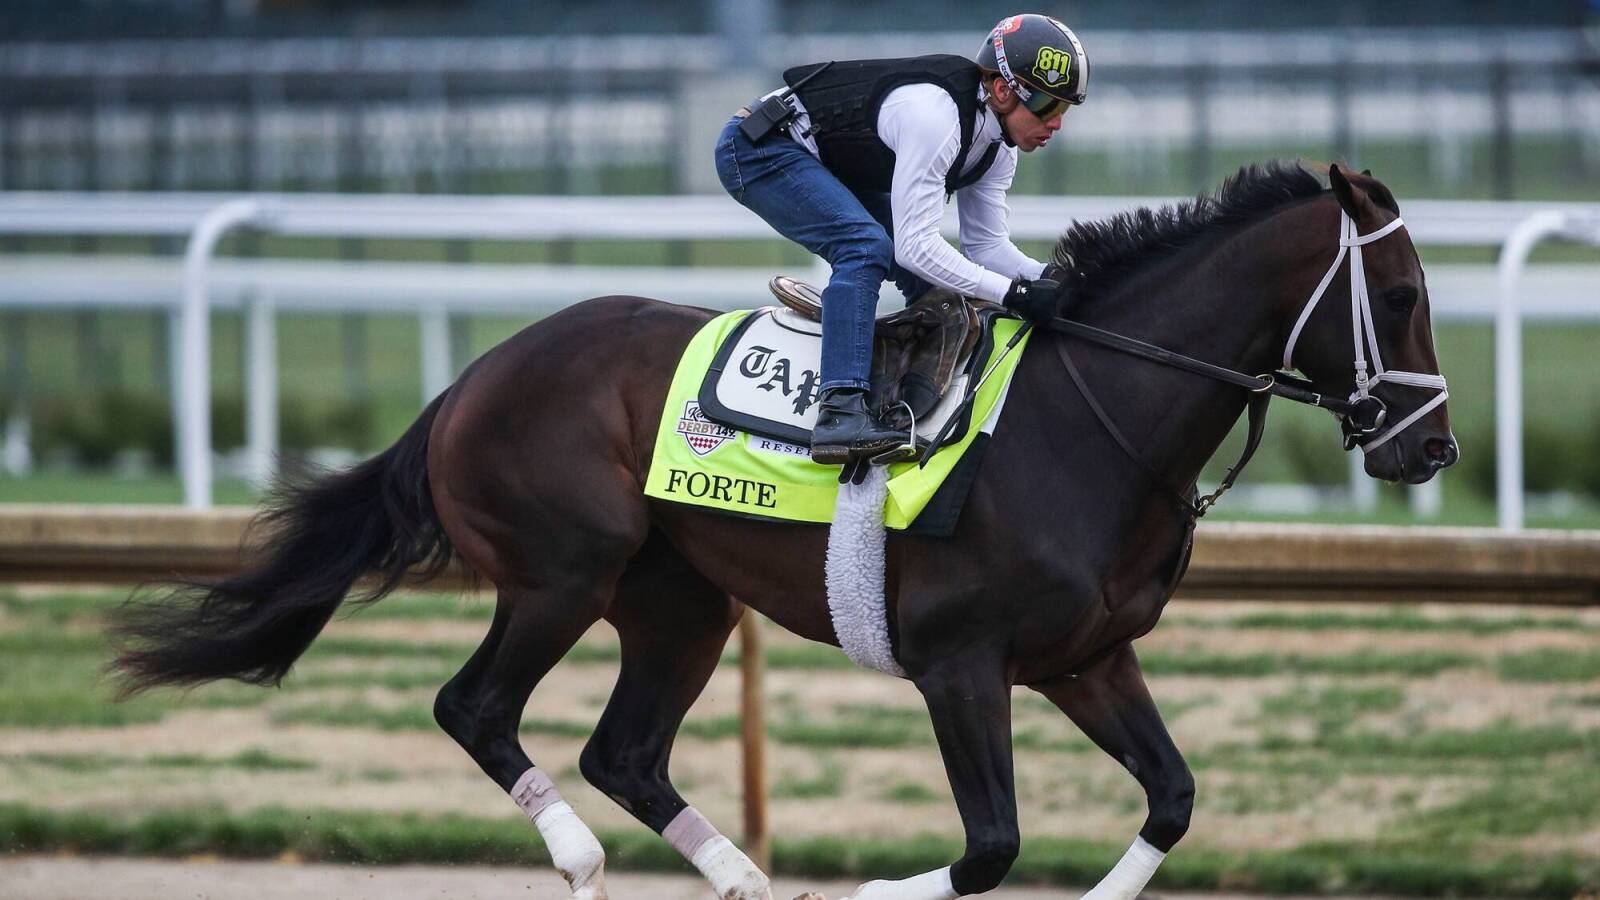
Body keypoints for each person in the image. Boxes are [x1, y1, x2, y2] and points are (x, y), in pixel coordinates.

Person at [713, 13, 1088, 464]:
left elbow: (986, 248)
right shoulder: (938, 119)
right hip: (759, 148)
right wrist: (1016, 293)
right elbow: (914, 247)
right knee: (864, 246)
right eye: (1048, 106)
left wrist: (1055, 280)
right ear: (1003, 90)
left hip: (826, 160)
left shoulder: (997, 148)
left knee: (938, 293)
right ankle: (839, 412)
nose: (1057, 124)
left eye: (1065, 109)